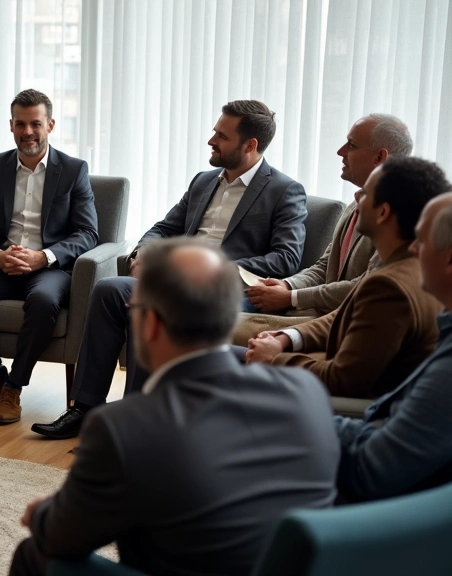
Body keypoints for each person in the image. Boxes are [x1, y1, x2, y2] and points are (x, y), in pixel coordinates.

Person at [11, 238, 338, 576]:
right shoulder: (306, 390)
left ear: (150, 324)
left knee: (33, 553)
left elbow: (62, 538)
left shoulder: (122, 427)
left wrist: (42, 515)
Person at [33, 99, 307, 439]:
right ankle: (85, 408)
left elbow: (286, 256)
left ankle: (137, 422)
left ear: (250, 145)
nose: (211, 140)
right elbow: (164, 228)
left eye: (221, 135)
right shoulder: (204, 181)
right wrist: (145, 253)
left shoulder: (284, 190)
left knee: (149, 308)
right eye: (214, 132)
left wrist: (202, 269)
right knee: (110, 290)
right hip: (174, 283)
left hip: (224, 292)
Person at [0, 89, 98, 424]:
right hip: (3, 262)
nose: (28, 132)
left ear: (50, 125)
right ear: (11, 125)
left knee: (43, 301)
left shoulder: (73, 170)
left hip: (48, 267)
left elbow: (88, 233)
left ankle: (14, 386)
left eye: (35, 124)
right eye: (20, 124)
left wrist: (44, 257)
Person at [246, 157, 447, 399]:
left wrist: (275, 358)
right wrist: (286, 338)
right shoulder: (408, 266)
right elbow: (346, 316)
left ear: (383, 212)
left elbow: (342, 381)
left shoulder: (390, 286)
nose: (356, 198)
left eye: (365, 193)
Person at [236, 114, 412, 341]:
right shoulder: (357, 201)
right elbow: (323, 266)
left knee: (211, 325)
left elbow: (365, 286)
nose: (340, 151)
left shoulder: (398, 215)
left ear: (380, 157)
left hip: (338, 322)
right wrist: (287, 285)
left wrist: (292, 297)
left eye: (352, 145)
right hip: (310, 309)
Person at [334, 193, 452, 502]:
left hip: (375, 510)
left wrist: (303, 417)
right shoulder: (445, 324)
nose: (412, 250)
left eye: (421, 241)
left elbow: (371, 471)